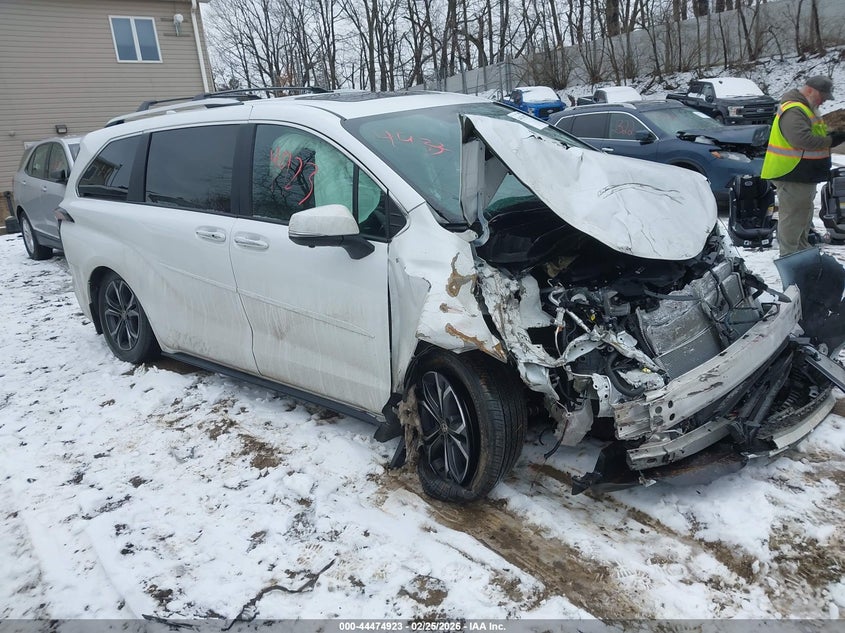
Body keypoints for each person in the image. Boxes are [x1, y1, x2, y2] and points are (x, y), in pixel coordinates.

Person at [761, 75, 845, 256]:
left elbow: (814, 134)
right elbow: (802, 139)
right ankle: (789, 256)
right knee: (792, 218)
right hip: (791, 172)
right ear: (810, 91)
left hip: (803, 173)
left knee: (802, 217)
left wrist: (833, 135)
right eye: (822, 96)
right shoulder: (794, 110)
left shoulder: (807, 109)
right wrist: (831, 140)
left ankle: (801, 252)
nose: (823, 101)